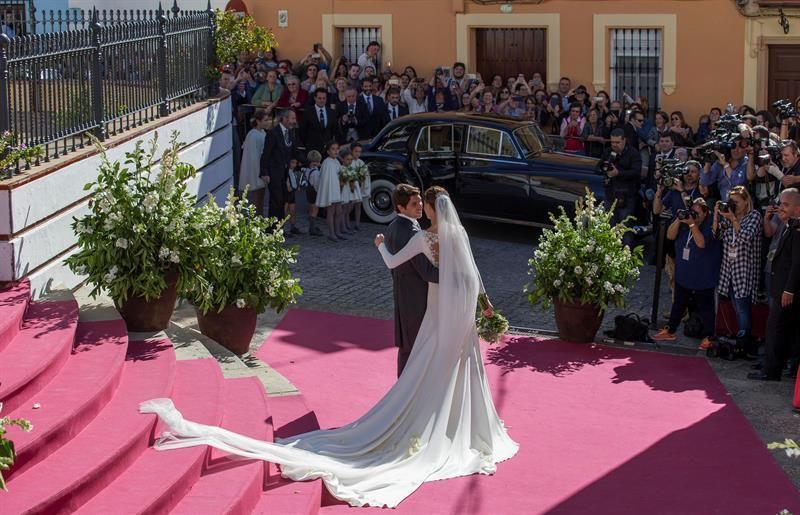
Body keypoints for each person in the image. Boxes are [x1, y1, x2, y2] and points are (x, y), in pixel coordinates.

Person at [139, 186, 518, 510]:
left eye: (425, 205)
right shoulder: (460, 237)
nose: (423, 210)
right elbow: (474, 275)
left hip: (438, 317)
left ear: (431, 209)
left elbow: (392, 262)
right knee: (459, 367)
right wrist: (486, 305)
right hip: (461, 318)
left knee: (429, 369)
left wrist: (381, 244)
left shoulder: (422, 238)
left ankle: (427, 424)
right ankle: (461, 428)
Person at [651, 199, 721, 346]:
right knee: (678, 303)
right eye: (692, 211)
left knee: (706, 307)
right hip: (685, 272)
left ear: (705, 213)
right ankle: (670, 330)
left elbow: (701, 243)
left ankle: (710, 336)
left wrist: (692, 224)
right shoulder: (685, 222)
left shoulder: (711, 225)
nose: (694, 215)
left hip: (703, 274)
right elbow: (669, 236)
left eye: (697, 213)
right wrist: (679, 219)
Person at [749, 188, 800, 381]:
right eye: (781, 203)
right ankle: (786, 368)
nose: (781, 208)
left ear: (798, 207)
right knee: (787, 330)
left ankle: (771, 371)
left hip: (786, 290)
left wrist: (788, 289)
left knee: (775, 328)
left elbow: (797, 263)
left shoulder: (797, 229)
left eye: (786, 205)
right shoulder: (789, 226)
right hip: (782, 287)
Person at [596, 128, 643, 248]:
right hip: (610, 194)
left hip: (626, 196)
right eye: (612, 142)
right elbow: (597, 168)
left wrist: (619, 173)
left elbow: (636, 172)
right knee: (610, 226)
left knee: (625, 228)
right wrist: (604, 169)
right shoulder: (608, 152)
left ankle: (625, 256)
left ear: (624, 141)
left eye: (617, 142)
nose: (614, 145)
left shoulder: (633, 153)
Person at [260, 109, 298, 232]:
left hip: (284, 172)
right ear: (285, 119)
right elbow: (266, 154)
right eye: (292, 119)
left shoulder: (290, 132)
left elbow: (293, 151)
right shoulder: (273, 133)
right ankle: (272, 228)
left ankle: (279, 228)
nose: (294, 121)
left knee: (282, 200)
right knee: (276, 200)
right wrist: (264, 172)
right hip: (274, 172)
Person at [238, 110, 271, 216]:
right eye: (265, 120)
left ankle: (259, 218)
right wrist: (259, 173)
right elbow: (254, 157)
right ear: (258, 121)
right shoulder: (253, 135)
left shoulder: (261, 133)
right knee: (257, 198)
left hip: (260, 169)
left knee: (261, 198)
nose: (267, 122)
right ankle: (256, 219)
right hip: (256, 171)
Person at [302, 150, 324, 236]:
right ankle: (313, 228)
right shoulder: (316, 172)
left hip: (309, 191)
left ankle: (312, 227)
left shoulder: (307, 170)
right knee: (315, 210)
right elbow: (317, 185)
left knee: (311, 209)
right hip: (314, 192)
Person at [284, 158, 304, 235]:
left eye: (295, 163)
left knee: (293, 211)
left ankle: (293, 227)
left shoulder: (293, 171)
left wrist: (297, 186)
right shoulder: (285, 171)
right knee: (285, 211)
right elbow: (285, 180)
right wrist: (287, 186)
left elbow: (294, 180)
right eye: (292, 162)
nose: (294, 165)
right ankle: (283, 228)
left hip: (292, 192)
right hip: (287, 193)